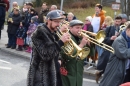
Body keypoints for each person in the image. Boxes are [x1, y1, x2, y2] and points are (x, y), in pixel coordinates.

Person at [27, 10, 71, 86]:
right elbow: (46, 54)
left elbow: (55, 49)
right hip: (41, 77)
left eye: (59, 22)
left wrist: (59, 59)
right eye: (56, 22)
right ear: (48, 21)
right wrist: (61, 42)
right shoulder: (38, 34)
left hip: (54, 72)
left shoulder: (53, 33)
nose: (58, 24)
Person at [60, 20, 90, 86]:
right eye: (77, 28)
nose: (80, 30)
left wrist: (89, 45)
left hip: (78, 71)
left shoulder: (80, 38)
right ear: (70, 28)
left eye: (81, 28)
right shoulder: (66, 37)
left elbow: (90, 55)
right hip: (68, 71)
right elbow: (67, 55)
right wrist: (81, 45)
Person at [95, 16, 122, 83]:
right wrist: (110, 39)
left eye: (119, 22)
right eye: (116, 21)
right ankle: (102, 76)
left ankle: (105, 77)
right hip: (108, 49)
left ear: (121, 22)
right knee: (106, 64)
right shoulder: (109, 28)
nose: (117, 23)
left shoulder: (122, 30)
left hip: (117, 49)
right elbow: (103, 39)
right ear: (114, 21)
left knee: (113, 66)